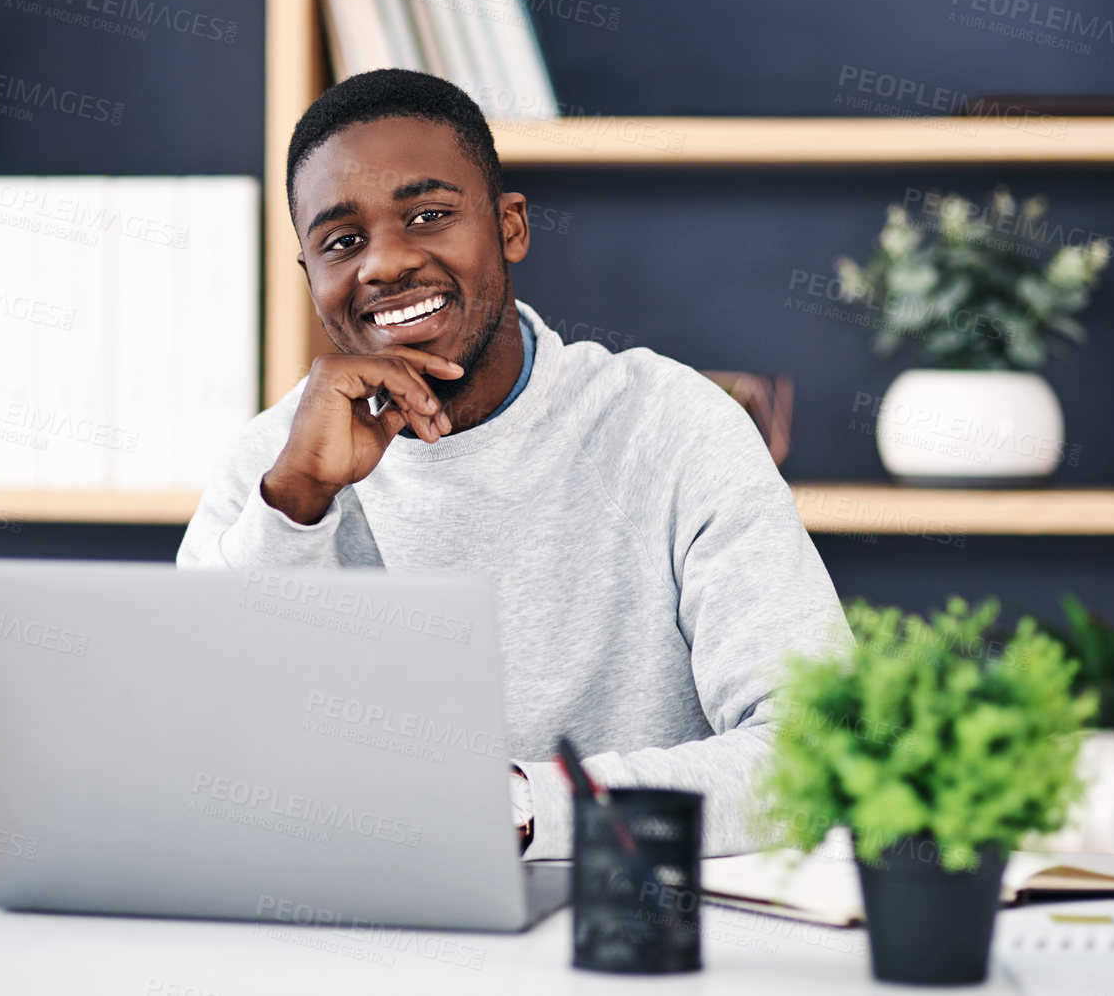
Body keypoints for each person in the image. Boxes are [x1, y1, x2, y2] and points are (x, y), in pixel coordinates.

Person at [178, 68, 846, 858]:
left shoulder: (673, 428)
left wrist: (517, 808)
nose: (384, 263)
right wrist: (296, 503)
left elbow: (817, 755)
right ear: (310, 279)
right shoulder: (273, 464)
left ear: (510, 228)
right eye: (341, 241)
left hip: (624, 941)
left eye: (428, 215)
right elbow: (196, 749)